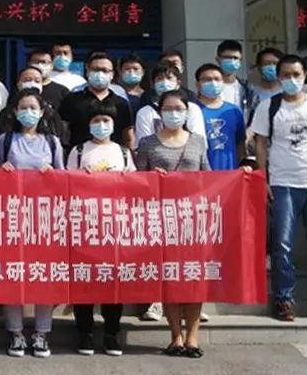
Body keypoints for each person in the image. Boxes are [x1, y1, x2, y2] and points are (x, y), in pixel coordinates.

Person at [251, 55, 307, 324]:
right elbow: (260, 144)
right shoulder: (269, 106)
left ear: (305, 76)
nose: (291, 79)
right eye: (286, 75)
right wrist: (263, 179)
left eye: (296, 74)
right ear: (278, 77)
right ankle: (283, 299)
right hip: (283, 184)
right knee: (282, 246)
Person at [134, 90, 211, 357]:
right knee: (169, 279)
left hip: (193, 220)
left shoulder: (198, 141)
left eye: (178, 108)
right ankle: (175, 336)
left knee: (193, 279)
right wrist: (151, 178)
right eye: (168, 109)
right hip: (161, 219)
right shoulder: (147, 143)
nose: (173, 113)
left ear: (187, 112)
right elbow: (136, 180)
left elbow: (209, 177)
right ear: (160, 112)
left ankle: (193, 337)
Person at [0, 90, 64, 358]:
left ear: (42, 112)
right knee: (13, 275)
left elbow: (63, 180)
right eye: (23, 107)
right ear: (15, 111)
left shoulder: (52, 142)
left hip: (44, 218)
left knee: (43, 276)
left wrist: (51, 175)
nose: (28, 112)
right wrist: (2, 173)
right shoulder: (6, 139)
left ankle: (42, 333)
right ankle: (16, 333)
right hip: (12, 216)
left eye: (33, 107)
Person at [66, 98, 133, 357]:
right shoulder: (79, 151)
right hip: (84, 224)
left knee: (113, 280)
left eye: (106, 121)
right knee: (84, 279)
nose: (101, 125)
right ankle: (84, 331)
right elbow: (66, 183)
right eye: (96, 121)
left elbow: (135, 185)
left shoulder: (123, 152)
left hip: (115, 225)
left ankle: (111, 333)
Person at [60, 51, 135, 154]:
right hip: (79, 156)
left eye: (105, 70)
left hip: (114, 157)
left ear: (112, 75)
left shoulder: (121, 104)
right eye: (96, 70)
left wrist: (130, 157)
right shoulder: (72, 100)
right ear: (87, 71)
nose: (100, 74)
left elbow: (128, 137)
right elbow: (63, 132)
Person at [0, 67, 67, 145]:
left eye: (37, 81)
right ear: (18, 84)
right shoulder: (7, 113)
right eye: (27, 80)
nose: (32, 83)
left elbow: (60, 140)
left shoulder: (50, 113)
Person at [134, 62, 207, 142]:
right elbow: (144, 144)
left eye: (169, 78)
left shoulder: (192, 109)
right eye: (159, 79)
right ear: (153, 85)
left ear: (178, 83)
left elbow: (198, 141)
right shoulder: (145, 112)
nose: (164, 82)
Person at [196, 63, 247, 171]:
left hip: (230, 172)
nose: (213, 83)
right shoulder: (193, 110)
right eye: (207, 79)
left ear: (222, 82)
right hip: (201, 174)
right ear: (198, 84)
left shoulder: (234, 110)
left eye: (217, 79)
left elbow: (240, 144)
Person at [247, 47, 284, 116]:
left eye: (275, 63)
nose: (271, 67)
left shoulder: (287, 91)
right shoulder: (251, 92)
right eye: (267, 63)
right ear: (259, 67)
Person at [216, 39, 248, 113]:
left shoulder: (247, 89)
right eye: (227, 57)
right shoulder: (210, 87)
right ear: (218, 59)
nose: (232, 61)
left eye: (235, 58)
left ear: (240, 60)